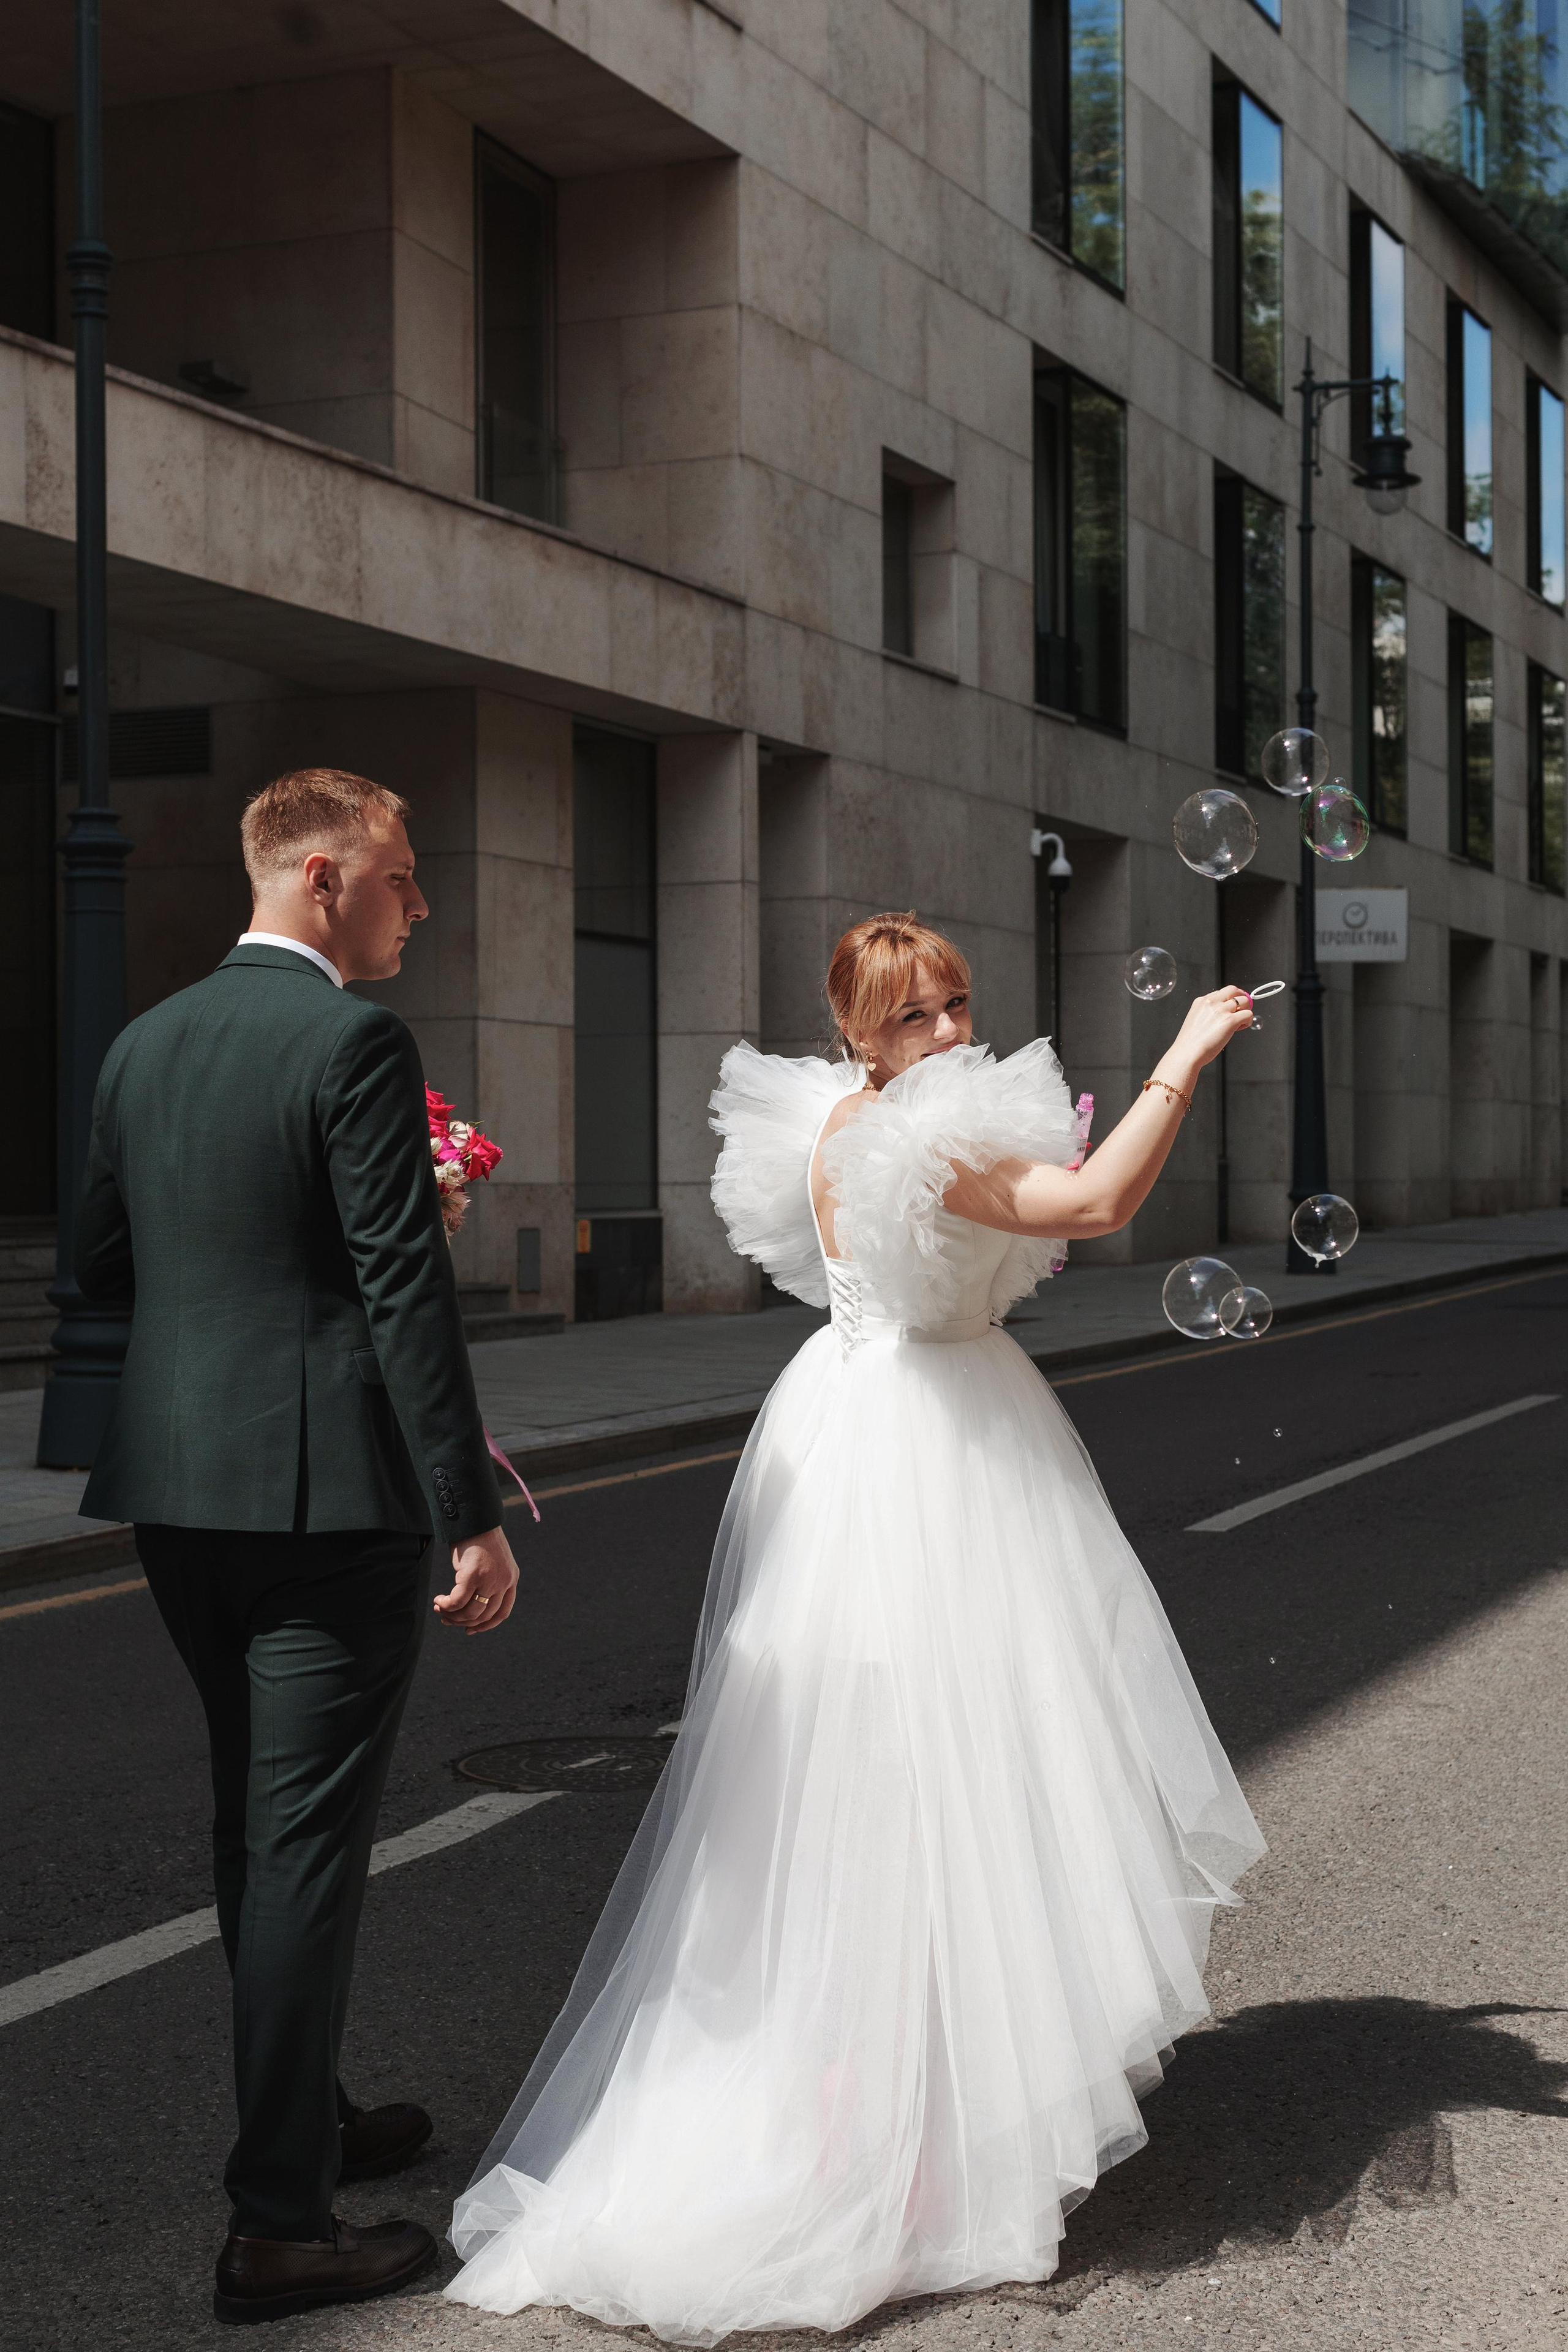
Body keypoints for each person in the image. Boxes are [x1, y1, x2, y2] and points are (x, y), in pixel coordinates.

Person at [446, 911, 1264, 2341]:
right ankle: (892, 2151)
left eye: (954, 1004)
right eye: (909, 1019)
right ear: (852, 1036)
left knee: (893, 1797)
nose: (945, 1034)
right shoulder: (921, 1141)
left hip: (861, 1425)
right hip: (929, 1463)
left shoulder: (839, 1123)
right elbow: (1085, 1210)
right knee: (926, 1793)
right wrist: (1183, 1057)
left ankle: (912, 2111)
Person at [75, 767, 522, 2326]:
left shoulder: (142, 1043)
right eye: (402, 877)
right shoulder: (348, 1038)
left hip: (177, 1492)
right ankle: (279, 2224)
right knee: (304, 1848)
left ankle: (310, 2117)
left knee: (252, 1829)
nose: (418, 903)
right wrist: (465, 1507)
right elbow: (400, 1291)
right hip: (330, 1502)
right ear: (322, 876)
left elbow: (100, 1261)